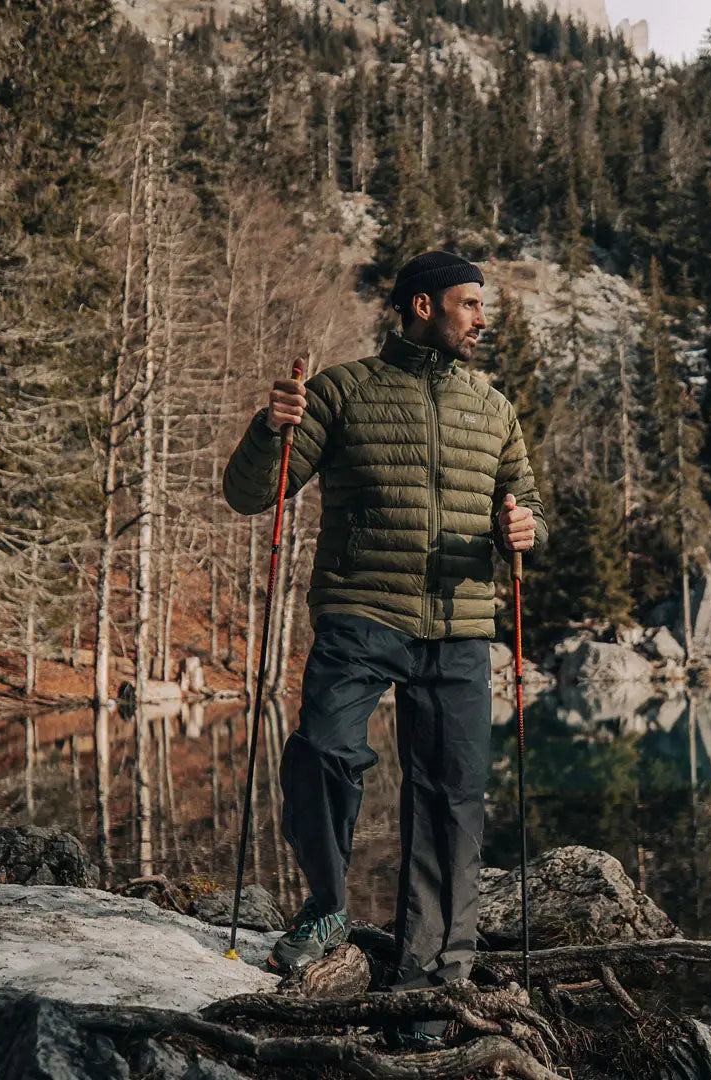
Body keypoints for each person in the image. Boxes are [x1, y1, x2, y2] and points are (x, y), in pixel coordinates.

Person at [222, 250, 546, 1047]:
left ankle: (433, 979)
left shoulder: (493, 407)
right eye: (470, 304)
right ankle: (327, 905)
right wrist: (272, 429)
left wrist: (525, 527)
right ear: (423, 305)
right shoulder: (341, 391)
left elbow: (525, 502)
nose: (482, 318)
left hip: (462, 626)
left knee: (450, 797)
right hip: (361, 612)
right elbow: (251, 493)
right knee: (323, 752)